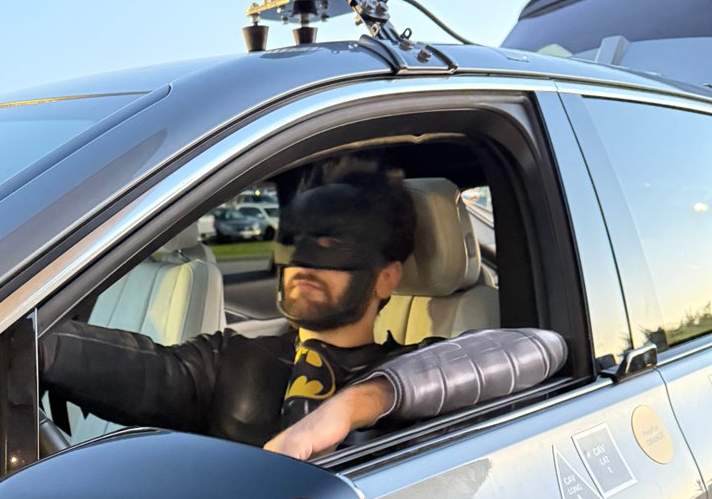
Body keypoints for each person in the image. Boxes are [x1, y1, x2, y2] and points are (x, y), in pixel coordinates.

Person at [40, 165, 567, 460]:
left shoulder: (419, 369)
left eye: (335, 246)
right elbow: (139, 368)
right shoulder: (233, 360)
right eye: (295, 244)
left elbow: (539, 348)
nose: (303, 266)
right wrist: (16, 347)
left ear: (386, 277)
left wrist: (349, 408)